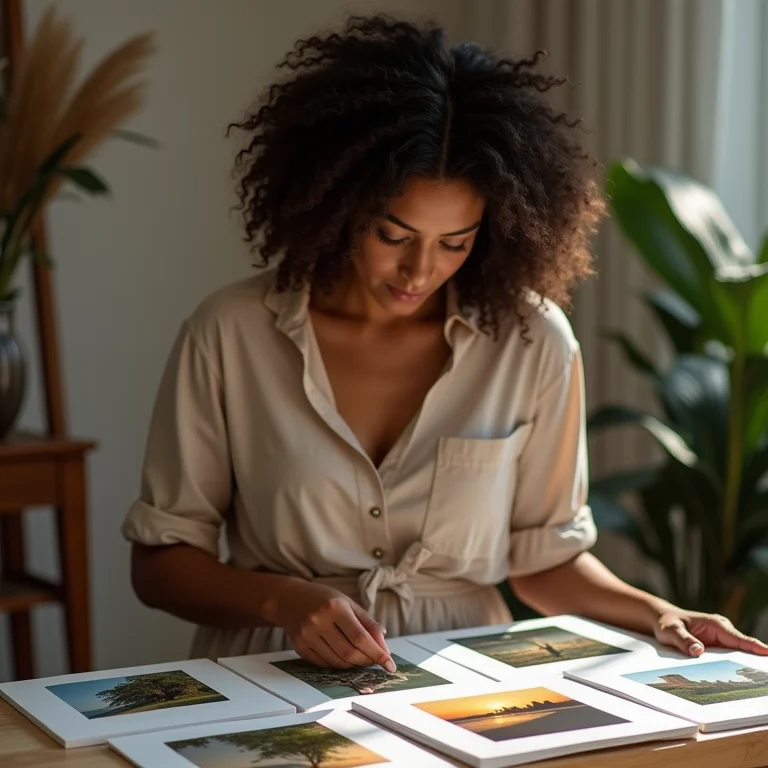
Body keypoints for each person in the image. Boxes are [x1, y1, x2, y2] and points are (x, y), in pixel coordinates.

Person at [123, 14, 768, 673]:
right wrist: (282, 600)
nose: (420, 271)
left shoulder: (532, 342)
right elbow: (159, 563)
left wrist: (661, 612)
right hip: (270, 674)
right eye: (393, 235)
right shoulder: (230, 333)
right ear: (339, 201)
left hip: (466, 680)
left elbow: (544, 562)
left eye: (454, 243)